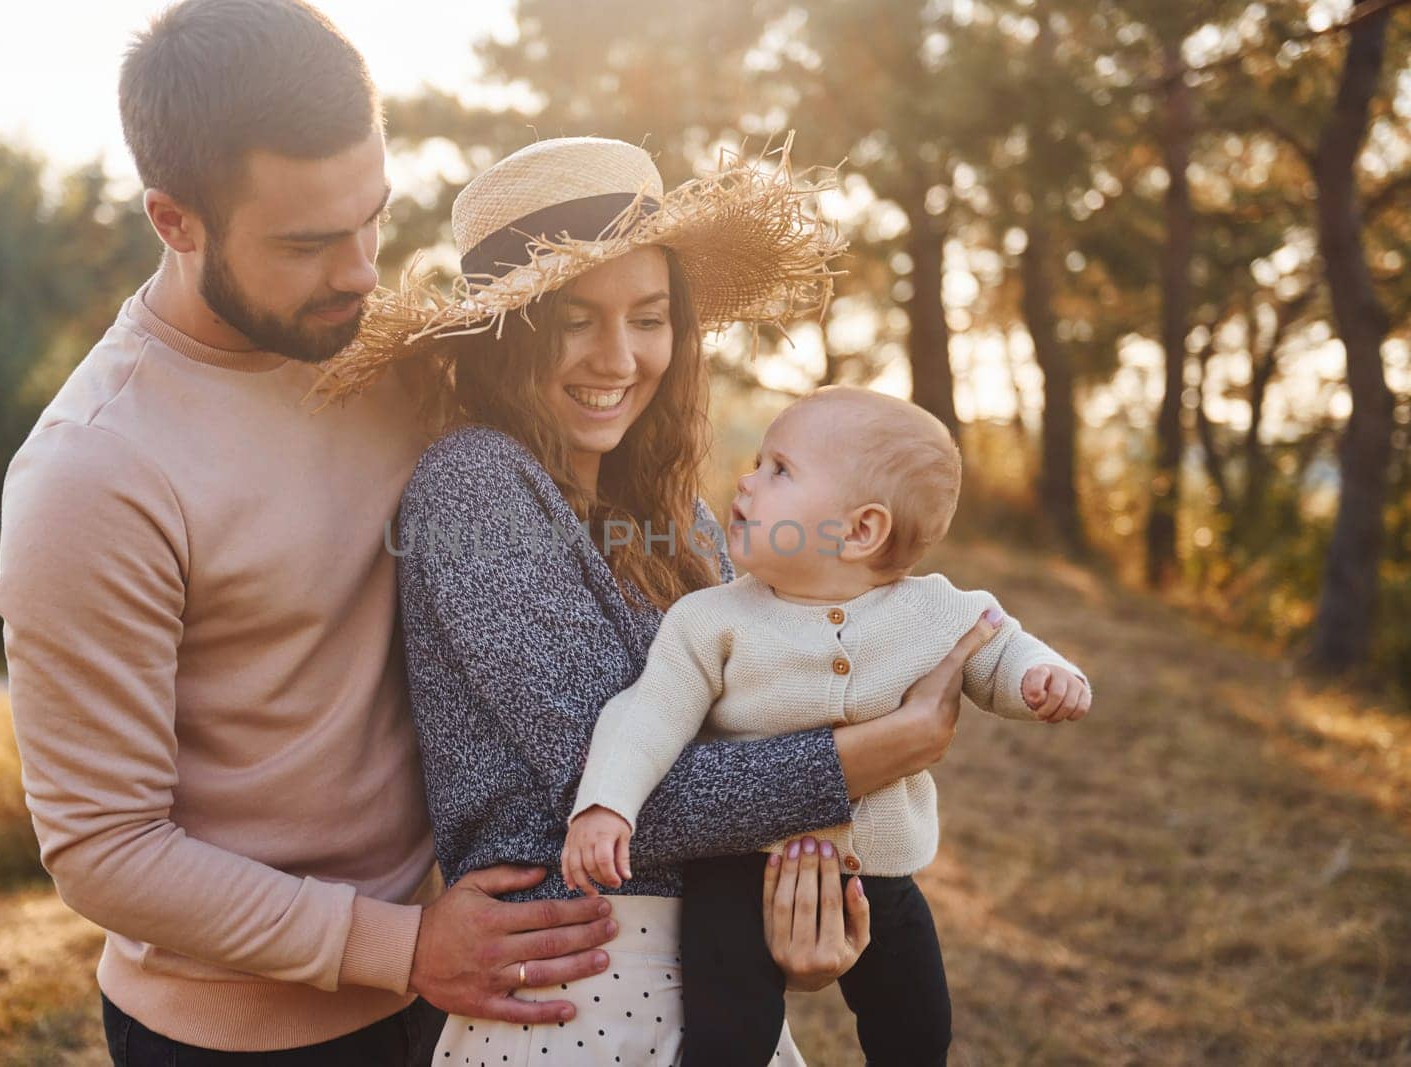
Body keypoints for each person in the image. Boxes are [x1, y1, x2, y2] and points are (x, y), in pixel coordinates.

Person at [0, 3, 623, 1063]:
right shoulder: (93, 473)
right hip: (241, 1038)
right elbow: (104, 850)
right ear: (173, 219)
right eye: (308, 242)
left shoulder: (390, 353)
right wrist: (402, 943)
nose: (362, 271)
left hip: (460, 978)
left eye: (372, 216)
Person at [314, 135, 1006, 1065]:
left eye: (648, 317)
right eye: (574, 321)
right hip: (572, 990)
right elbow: (604, 796)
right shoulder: (472, 485)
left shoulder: (684, 515)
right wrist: (881, 750)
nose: (619, 356)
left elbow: (746, 738)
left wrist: (803, 910)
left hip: (721, 975)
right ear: (509, 331)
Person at [564, 386, 1093, 1065]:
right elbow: (646, 711)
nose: (748, 478)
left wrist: (1040, 677)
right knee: (729, 1038)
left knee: (918, 1030)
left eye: (779, 469)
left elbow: (999, 649)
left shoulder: (933, 609)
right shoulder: (711, 620)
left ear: (860, 530)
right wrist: (608, 802)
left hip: (881, 872)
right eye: (758, 461)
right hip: (735, 873)